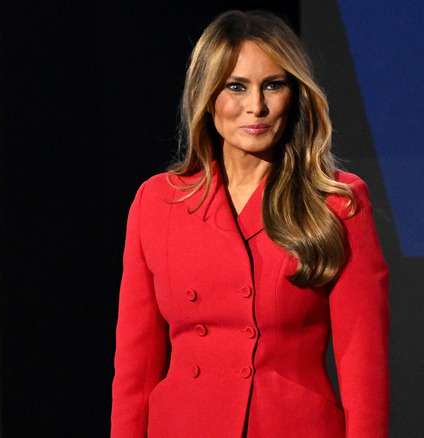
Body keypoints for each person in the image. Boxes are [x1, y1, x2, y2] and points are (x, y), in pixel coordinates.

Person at [111, 10, 389, 438]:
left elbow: (362, 360)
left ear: (294, 94)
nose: (255, 106)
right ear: (207, 96)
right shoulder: (158, 201)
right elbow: (136, 366)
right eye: (236, 87)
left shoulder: (337, 200)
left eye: (273, 85)